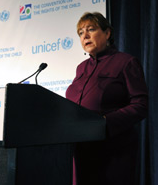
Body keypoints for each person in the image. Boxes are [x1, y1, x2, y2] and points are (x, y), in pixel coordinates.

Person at [65, 12, 148, 185]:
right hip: (80, 149)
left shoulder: (126, 62)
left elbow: (140, 105)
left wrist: (105, 122)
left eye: (91, 29)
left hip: (113, 150)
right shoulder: (81, 68)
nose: (85, 36)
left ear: (107, 33)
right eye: (81, 32)